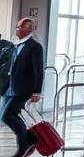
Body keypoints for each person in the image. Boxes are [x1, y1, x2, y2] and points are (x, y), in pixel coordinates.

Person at [1, 18, 43, 157]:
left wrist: (37, 91)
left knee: (8, 115)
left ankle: (25, 143)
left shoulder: (34, 46)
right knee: (5, 116)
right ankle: (29, 138)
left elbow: (38, 70)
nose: (17, 30)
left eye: (19, 28)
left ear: (27, 29)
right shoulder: (17, 45)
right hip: (10, 88)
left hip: (23, 89)